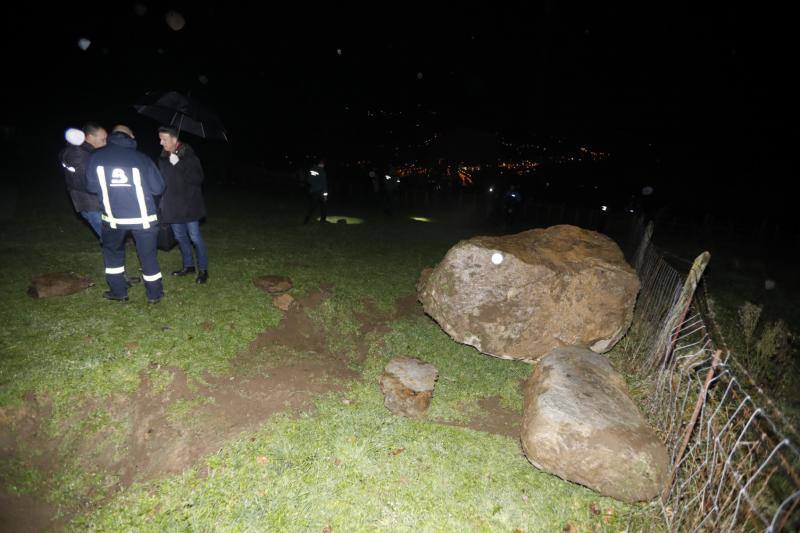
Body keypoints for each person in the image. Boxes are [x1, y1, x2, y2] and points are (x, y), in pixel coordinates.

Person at [86, 125, 165, 303]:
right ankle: (154, 295)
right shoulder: (142, 158)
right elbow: (159, 188)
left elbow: (90, 186)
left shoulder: (96, 157)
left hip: (112, 219)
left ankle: (119, 291)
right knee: (148, 257)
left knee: (113, 255)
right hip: (144, 220)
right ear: (129, 136)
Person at [157, 126, 209, 284]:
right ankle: (188, 266)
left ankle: (203, 269)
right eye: (160, 139)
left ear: (174, 139)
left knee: (195, 237)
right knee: (180, 237)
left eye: (164, 139)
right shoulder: (163, 157)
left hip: (189, 206)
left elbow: (197, 179)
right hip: (172, 206)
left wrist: (178, 163)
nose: (161, 142)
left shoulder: (189, 156)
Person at [59, 122, 107, 239]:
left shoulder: (84, 151)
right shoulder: (78, 155)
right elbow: (89, 182)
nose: (105, 143)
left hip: (94, 202)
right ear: (89, 137)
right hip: (91, 204)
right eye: (103, 140)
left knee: (112, 236)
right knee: (109, 239)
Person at [303, 159, 328, 224]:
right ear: (322, 164)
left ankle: (306, 220)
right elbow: (324, 184)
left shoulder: (312, 169)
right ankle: (322, 220)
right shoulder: (321, 171)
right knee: (323, 206)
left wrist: (314, 185)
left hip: (314, 191)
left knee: (314, 206)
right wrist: (325, 195)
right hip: (319, 192)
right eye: (324, 165)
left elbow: (309, 180)